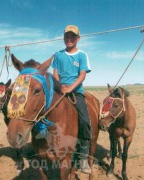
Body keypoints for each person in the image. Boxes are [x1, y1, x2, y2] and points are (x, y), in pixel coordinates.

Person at [51, 25, 92, 174]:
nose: (69, 39)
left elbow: (82, 75)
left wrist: (70, 88)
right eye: (67, 36)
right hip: (59, 90)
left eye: (72, 36)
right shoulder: (58, 55)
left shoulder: (82, 55)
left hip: (76, 92)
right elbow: (55, 74)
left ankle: (83, 157)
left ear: (78, 38)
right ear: (63, 38)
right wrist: (60, 86)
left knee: (85, 121)